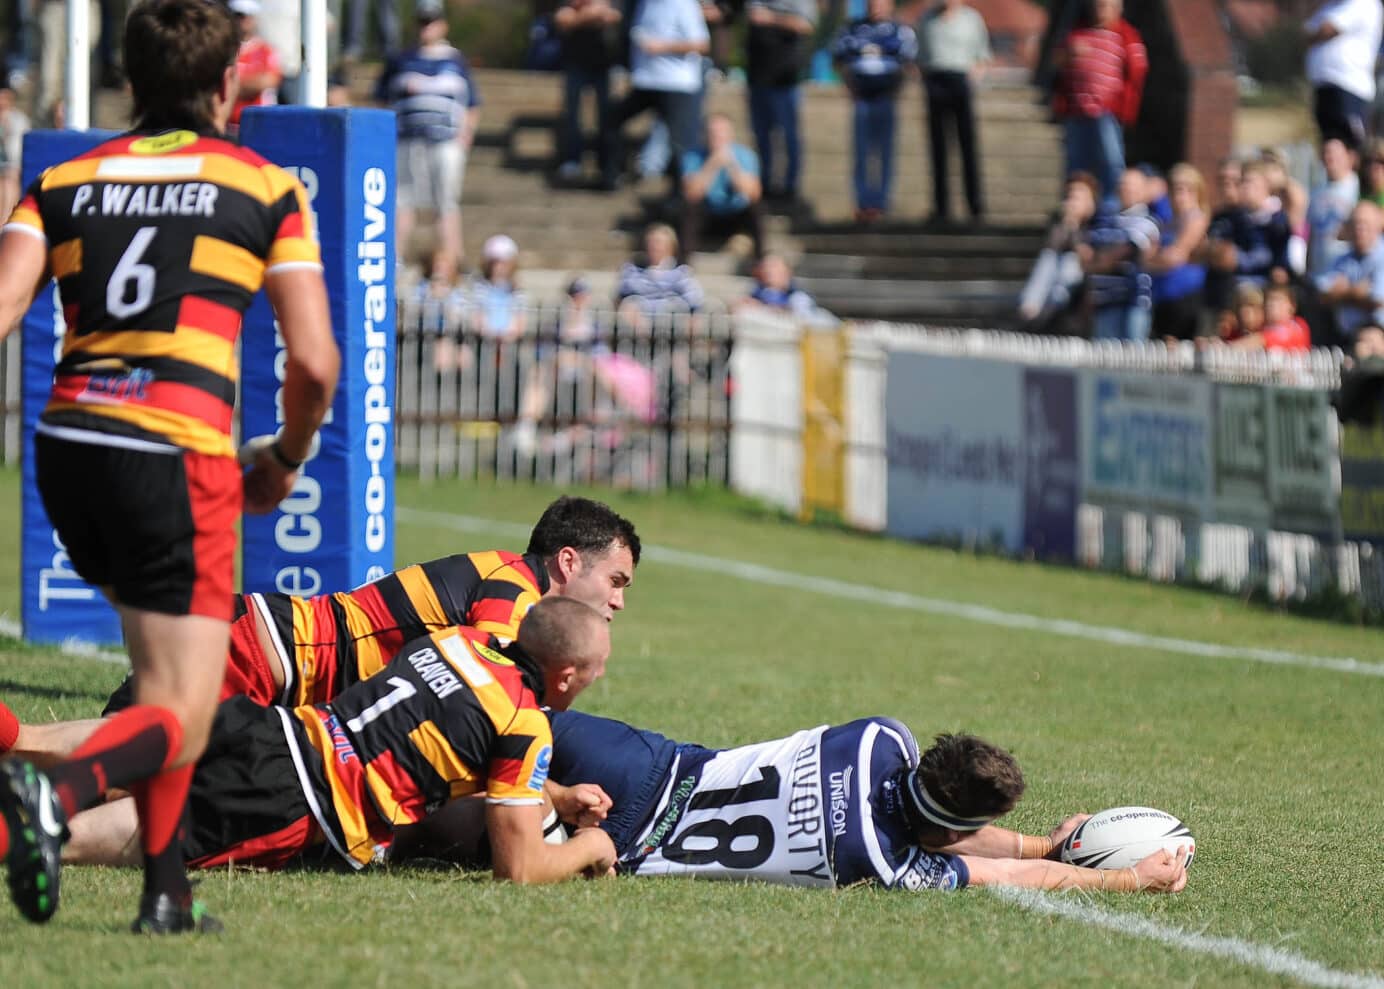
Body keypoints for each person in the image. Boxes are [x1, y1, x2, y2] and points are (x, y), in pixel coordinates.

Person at [0, 0, 340, 933]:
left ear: (130, 80)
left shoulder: (63, 178)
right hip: (175, 452)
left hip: (72, 448)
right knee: (184, 712)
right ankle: (51, 793)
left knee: (162, 686)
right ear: (230, 83)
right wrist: (285, 454)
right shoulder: (262, 184)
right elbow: (313, 362)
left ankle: (164, 894)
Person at [0, 495, 640, 770]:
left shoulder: (501, 574)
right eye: (615, 581)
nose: (616, 602)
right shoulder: (510, 590)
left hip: (253, 641)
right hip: (257, 652)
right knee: (123, 768)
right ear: (566, 563)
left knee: (121, 765)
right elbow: (493, 699)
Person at [64, 599, 619, 882]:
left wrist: (558, 794)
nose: (597, 680)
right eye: (597, 670)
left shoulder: (461, 640)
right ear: (566, 675)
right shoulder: (524, 724)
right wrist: (591, 847)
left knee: (120, 751)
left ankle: (20, 740)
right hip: (296, 796)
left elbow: (450, 748)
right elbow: (518, 868)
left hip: (278, 727)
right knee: (111, 831)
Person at [402, 710, 1190, 894]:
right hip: (636, 838)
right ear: (952, 825)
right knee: (430, 829)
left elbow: (946, 829)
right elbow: (985, 869)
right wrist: (1122, 877)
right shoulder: (880, 859)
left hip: (649, 763)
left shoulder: (880, 738)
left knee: (483, 712)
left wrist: (1043, 843)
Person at [375, 0, 480, 267]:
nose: (426, 27)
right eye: (422, 21)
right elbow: (381, 99)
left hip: (445, 141)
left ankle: (452, 261)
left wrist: (465, 136)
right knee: (402, 200)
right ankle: (394, 258)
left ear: (442, 25)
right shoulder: (400, 59)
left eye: (431, 21)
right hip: (407, 140)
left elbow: (472, 104)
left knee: (446, 202)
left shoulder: (456, 61)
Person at [1050, 0, 1147, 207]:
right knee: (1075, 163)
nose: (1099, 10)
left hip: (1107, 112)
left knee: (1110, 160)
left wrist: (1121, 101)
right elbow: (1055, 62)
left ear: (1118, 9)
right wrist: (1068, 54)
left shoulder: (1126, 35)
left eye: (1105, 5)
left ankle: (1111, 207)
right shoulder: (1077, 32)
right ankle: (1075, 208)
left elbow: (1137, 69)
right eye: (1097, 5)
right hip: (1076, 109)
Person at [832, 0, 917, 223]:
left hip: (885, 98)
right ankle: (863, 203)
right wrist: (850, 87)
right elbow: (839, 60)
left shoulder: (901, 31)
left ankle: (881, 203)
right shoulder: (851, 29)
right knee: (861, 152)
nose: (876, 6)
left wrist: (898, 90)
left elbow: (909, 65)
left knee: (885, 153)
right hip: (862, 98)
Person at [612, 0, 710, 192]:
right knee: (612, 120)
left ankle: (682, 195)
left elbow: (702, 44)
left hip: (677, 84)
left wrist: (661, 47)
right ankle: (613, 177)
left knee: (681, 144)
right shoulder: (643, 4)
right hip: (646, 81)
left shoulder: (683, 4)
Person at [915, 0, 990, 226]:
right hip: (935, 81)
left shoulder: (972, 19)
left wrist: (972, 80)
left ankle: (974, 205)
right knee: (938, 147)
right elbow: (920, 56)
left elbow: (982, 56)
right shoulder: (926, 19)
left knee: (967, 146)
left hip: (961, 81)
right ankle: (941, 207)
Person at [745, 0, 816, 204]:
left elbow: (807, 25)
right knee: (761, 136)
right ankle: (765, 184)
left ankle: (790, 187)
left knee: (789, 137)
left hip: (785, 80)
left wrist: (772, 18)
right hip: (757, 77)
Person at [1082, 167, 1161, 341]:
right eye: (1123, 185)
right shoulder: (1104, 222)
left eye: (1132, 185)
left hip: (1133, 304)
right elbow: (1085, 257)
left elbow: (1128, 249)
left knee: (1133, 361)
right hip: (1103, 302)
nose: (1126, 189)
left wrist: (1101, 260)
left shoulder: (1148, 221)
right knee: (1105, 361)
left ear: (1143, 190)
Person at [1018, 171, 1098, 335]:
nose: (1071, 202)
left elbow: (1086, 256)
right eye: (1069, 196)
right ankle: (1031, 307)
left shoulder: (1098, 225)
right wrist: (1068, 223)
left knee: (1069, 261)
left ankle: (1049, 307)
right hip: (1053, 283)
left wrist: (1075, 229)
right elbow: (1051, 247)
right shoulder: (1059, 223)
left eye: (1078, 197)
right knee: (1049, 258)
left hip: (1079, 290)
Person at [554, 0, 623, 189]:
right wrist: (591, 15)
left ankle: (605, 164)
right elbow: (562, 20)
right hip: (576, 63)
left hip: (605, 64)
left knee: (607, 116)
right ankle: (572, 161)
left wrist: (579, 16)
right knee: (573, 115)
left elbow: (615, 16)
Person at [680, 113, 765, 260]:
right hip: (708, 214)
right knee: (689, 210)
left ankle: (761, 260)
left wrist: (732, 165)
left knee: (756, 209)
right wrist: (712, 165)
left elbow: (753, 194)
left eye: (721, 132)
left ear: (731, 134)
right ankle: (683, 263)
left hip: (736, 214)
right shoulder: (692, 156)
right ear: (705, 135)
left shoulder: (746, 156)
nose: (717, 137)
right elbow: (691, 194)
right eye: (712, 133)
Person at [1304, 0, 1382, 151]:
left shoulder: (1364, 3)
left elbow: (1328, 29)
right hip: (1324, 84)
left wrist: (1315, 33)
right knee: (1330, 145)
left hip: (1349, 86)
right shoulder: (1330, 6)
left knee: (1352, 144)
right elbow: (1306, 32)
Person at [1148, 163, 1209, 342]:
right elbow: (1147, 258)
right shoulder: (1167, 222)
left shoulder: (1196, 218)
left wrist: (1152, 260)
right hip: (1162, 297)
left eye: (1186, 190)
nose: (1179, 196)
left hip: (1186, 295)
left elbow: (1175, 257)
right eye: (1175, 190)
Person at [1315, 199, 1384, 347]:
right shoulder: (1342, 259)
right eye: (1355, 224)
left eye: (1365, 224)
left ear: (1378, 226)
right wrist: (1356, 292)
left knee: (1365, 347)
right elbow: (1323, 294)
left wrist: (1342, 293)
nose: (1360, 229)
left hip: (1376, 333)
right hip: (1344, 334)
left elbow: (1377, 300)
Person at [616, 223, 705, 321]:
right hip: (638, 322)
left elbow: (694, 300)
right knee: (630, 307)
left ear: (671, 247)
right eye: (651, 242)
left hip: (670, 323)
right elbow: (621, 295)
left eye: (658, 242)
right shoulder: (634, 270)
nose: (654, 246)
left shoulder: (680, 273)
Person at [1306, 137, 1360, 279]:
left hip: (1347, 273)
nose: (1330, 158)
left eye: (1336, 154)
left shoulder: (1357, 188)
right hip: (1319, 273)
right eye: (1326, 153)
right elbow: (1312, 234)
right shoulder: (1316, 192)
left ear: (1350, 157)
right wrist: (1308, 268)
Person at [227, 0, 283, 135]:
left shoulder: (266, 50)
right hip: (229, 126)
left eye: (245, 15)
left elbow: (269, 80)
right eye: (237, 15)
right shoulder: (224, 49)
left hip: (259, 126)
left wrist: (234, 86)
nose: (241, 21)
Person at [465, 234, 528, 341]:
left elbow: (520, 320)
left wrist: (508, 335)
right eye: (495, 263)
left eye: (503, 263)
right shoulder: (479, 287)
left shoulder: (516, 290)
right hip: (485, 340)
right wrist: (489, 333)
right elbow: (477, 318)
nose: (499, 267)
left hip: (509, 341)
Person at [1230, 283, 1311, 352]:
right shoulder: (1263, 328)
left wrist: (1228, 347)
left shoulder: (1297, 326)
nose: (1272, 305)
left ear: (1292, 306)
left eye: (1278, 300)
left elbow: (1261, 340)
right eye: (1269, 301)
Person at [735, 253, 820, 319]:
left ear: (787, 271)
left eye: (774, 267)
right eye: (765, 268)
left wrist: (767, 309)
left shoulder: (799, 297)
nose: (768, 271)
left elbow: (803, 318)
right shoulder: (757, 292)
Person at [0, 80, 29, 220]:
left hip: (10, 165)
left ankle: (4, 222)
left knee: (8, 181)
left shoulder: (18, 120)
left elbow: (16, 150)